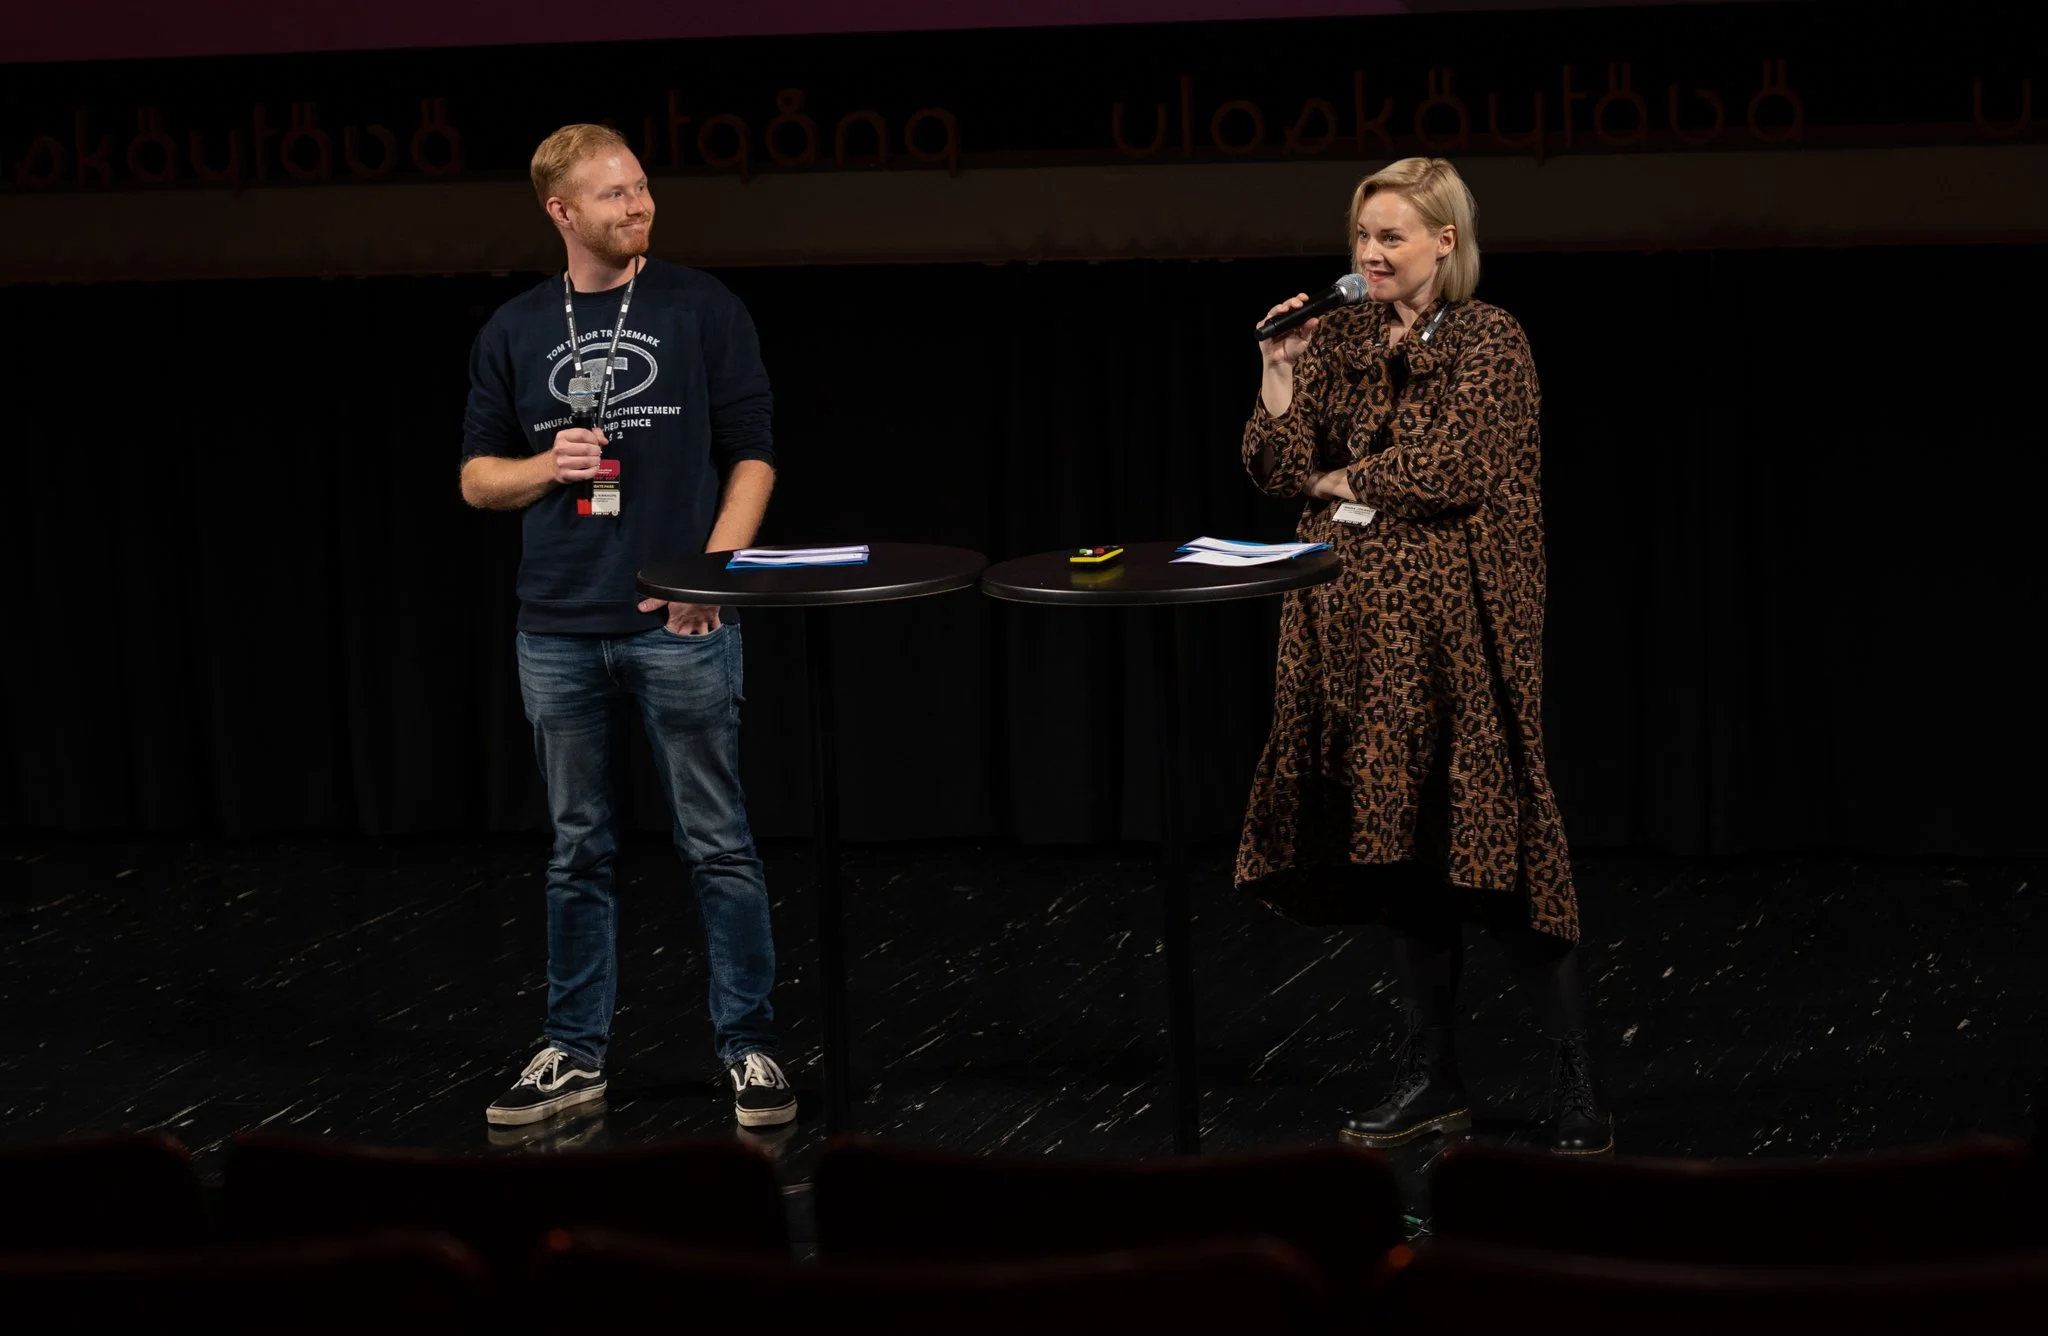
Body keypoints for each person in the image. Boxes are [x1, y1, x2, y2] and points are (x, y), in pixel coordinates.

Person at [1236, 157, 1610, 1155]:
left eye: (1391, 236)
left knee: (1501, 858)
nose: (1371, 254)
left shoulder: (1491, 338)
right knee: (1398, 856)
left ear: (1444, 241)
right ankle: (1432, 1078)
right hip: (1351, 639)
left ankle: (1577, 1081)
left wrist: (1337, 479)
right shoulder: (1338, 334)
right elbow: (1276, 468)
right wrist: (1279, 370)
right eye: (1362, 237)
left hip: (1458, 642)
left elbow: (1450, 467)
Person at [458, 123, 794, 1131]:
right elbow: (476, 478)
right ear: (560, 212)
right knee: (577, 851)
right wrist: (544, 467)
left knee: (718, 844)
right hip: (556, 628)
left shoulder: (700, 306)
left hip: (677, 622)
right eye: (614, 194)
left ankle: (749, 1047)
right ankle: (574, 1052)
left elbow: (753, 453)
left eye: (641, 186)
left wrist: (712, 574)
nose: (639, 204)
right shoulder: (515, 327)